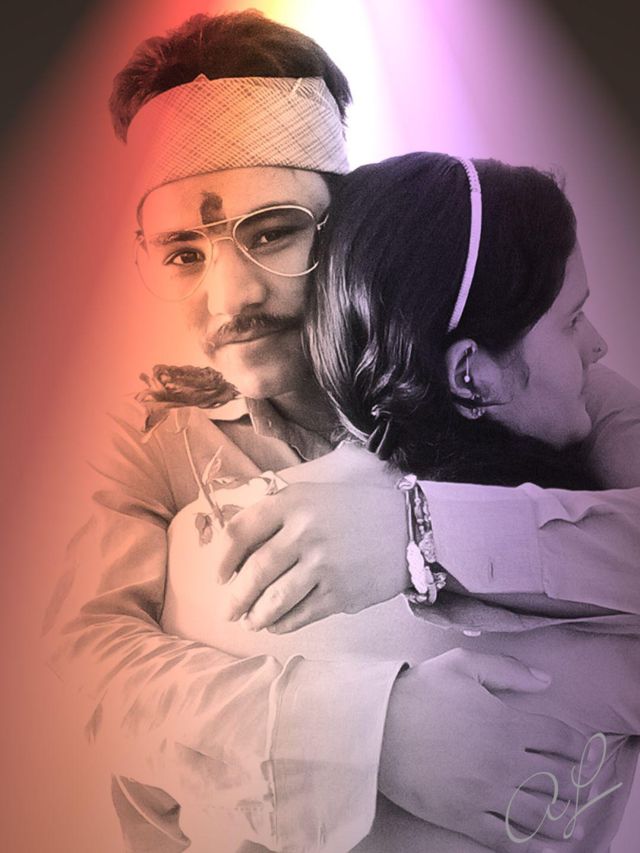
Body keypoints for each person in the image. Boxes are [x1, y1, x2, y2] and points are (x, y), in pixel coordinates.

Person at [43, 11, 640, 853]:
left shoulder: (511, 364)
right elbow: (81, 672)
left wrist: (417, 532)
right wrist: (372, 734)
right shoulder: (150, 437)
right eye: (183, 254)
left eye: (274, 231)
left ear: (349, 215)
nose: (232, 297)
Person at [162, 153, 640, 852]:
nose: (600, 348)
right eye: (572, 321)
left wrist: (416, 532)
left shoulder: (202, 560)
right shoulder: (606, 619)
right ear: (470, 374)